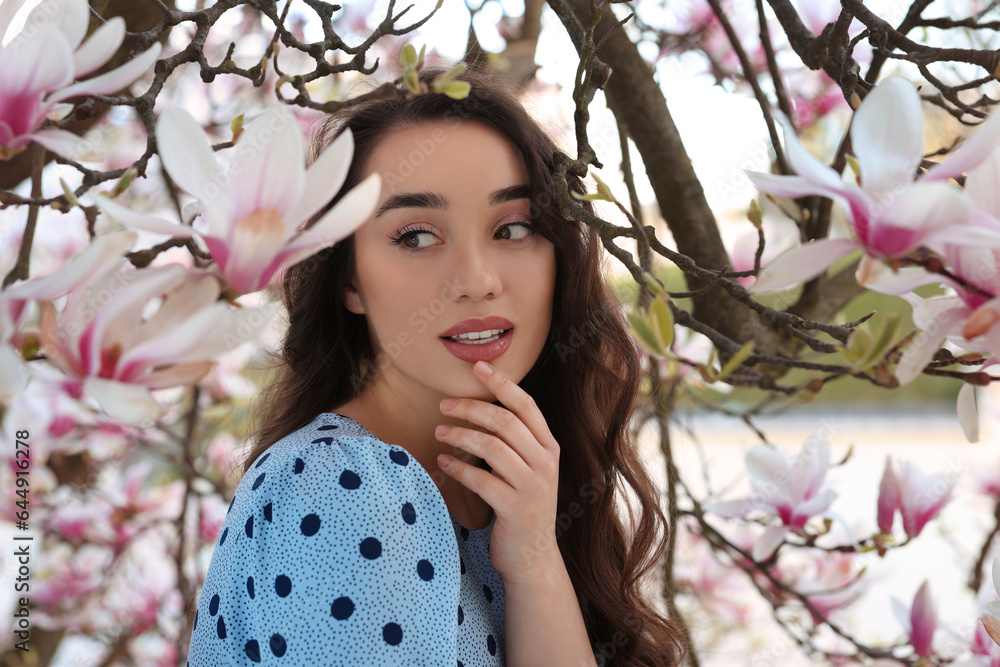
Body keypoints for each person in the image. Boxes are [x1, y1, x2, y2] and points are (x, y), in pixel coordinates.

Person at [186, 64, 686, 666]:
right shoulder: (342, 486)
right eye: (417, 236)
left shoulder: (513, 489)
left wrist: (534, 563)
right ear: (349, 278)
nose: (477, 281)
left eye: (515, 227)